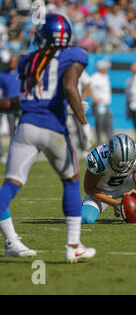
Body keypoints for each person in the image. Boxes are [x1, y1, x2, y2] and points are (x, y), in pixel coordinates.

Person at [0, 14, 95, 262]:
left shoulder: (28, 61)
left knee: (11, 185)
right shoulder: (72, 55)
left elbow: (19, 101)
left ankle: (11, 241)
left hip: (26, 127)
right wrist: (83, 122)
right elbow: (70, 87)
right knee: (71, 181)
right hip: (53, 128)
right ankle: (73, 245)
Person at [81, 133, 136, 224]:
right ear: (110, 155)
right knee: (86, 218)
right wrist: (114, 203)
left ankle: (134, 210)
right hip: (103, 191)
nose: (122, 167)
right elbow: (89, 188)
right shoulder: (98, 159)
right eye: (118, 164)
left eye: (126, 164)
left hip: (127, 185)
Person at [90, 60, 113, 145]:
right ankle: (99, 143)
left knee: (109, 123)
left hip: (106, 104)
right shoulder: (95, 77)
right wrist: (94, 98)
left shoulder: (106, 76)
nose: (107, 69)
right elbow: (88, 88)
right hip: (99, 105)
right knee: (99, 124)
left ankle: (111, 142)